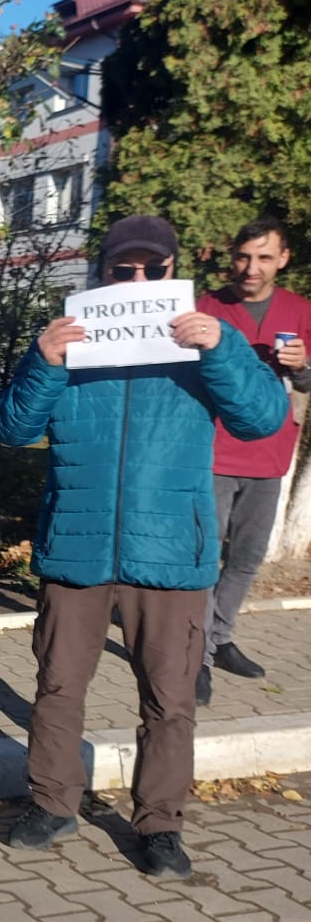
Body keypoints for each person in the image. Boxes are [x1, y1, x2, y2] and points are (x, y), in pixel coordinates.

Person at [0, 215, 285, 878]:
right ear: (103, 274)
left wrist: (222, 350)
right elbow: (12, 427)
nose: (138, 279)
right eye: (124, 269)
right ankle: (52, 804)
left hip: (170, 551)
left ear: (173, 272)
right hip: (77, 544)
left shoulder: (208, 339)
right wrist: (43, 362)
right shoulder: (69, 340)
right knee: (58, 686)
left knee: (170, 700)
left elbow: (261, 419)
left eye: (154, 269)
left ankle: (160, 825)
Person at [195, 216, 311, 704]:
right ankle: (196, 657)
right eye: (244, 256)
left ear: (283, 259)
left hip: (271, 455)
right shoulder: (206, 307)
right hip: (215, 452)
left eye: (264, 257)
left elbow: (308, 383)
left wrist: (302, 368)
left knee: (246, 558)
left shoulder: (300, 311)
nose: (252, 267)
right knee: (203, 559)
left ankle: (221, 638)